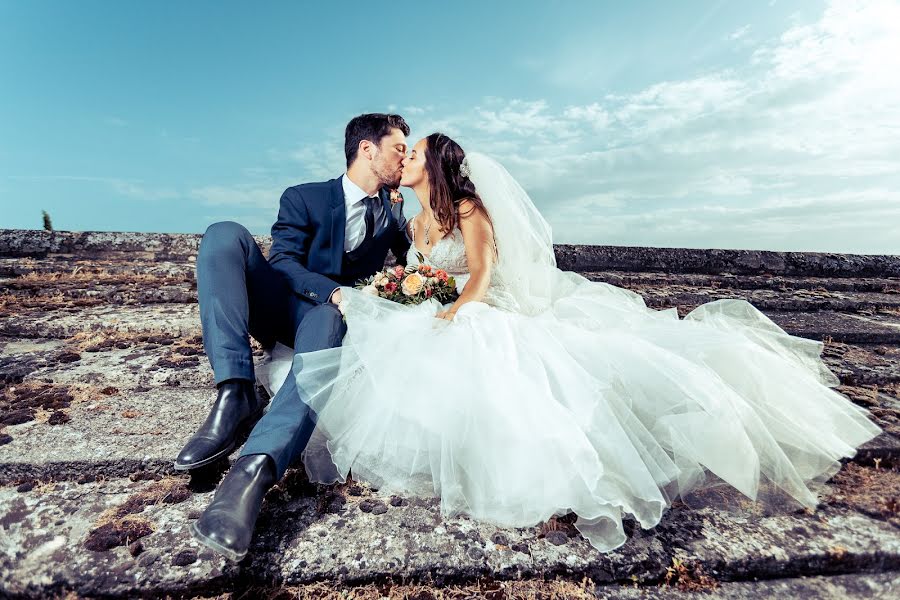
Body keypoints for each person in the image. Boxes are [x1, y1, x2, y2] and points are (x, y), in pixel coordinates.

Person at [277, 132, 882, 553]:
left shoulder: (469, 208)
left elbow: (482, 275)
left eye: (416, 153)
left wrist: (455, 310)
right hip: (438, 303)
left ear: (434, 165)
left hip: (484, 305)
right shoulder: (409, 221)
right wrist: (407, 294)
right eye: (400, 152)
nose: (405, 158)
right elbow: (413, 270)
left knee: (483, 352)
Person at [176, 113, 413, 561]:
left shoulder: (390, 212)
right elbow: (282, 261)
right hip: (284, 306)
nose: (406, 156)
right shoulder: (304, 197)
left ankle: (252, 472)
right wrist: (335, 291)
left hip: (327, 323)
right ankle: (234, 392)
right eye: (400, 148)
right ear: (367, 149)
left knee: (326, 320)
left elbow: (419, 257)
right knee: (224, 234)